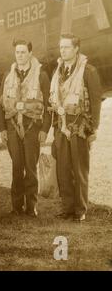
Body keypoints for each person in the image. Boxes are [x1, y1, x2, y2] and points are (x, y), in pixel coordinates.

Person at [49, 33, 102, 222]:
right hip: (62, 127)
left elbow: (95, 101)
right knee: (63, 169)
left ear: (76, 48)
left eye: (67, 47)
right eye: (61, 47)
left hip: (80, 126)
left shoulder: (88, 71)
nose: (63, 51)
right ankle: (68, 208)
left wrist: (93, 129)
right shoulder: (58, 72)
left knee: (79, 169)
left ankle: (80, 210)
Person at [0, 40, 51, 217]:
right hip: (12, 127)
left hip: (32, 128)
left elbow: (48, 106)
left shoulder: (41, 75)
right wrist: (2, 129)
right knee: (16, 166)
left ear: (30, 53)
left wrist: (44, 129)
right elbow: (1, 105)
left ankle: (31, 206)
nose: (19, 55)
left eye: (23, 52)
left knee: (30, 167)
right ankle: (16, 205)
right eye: (17, 52)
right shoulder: (8, 76)